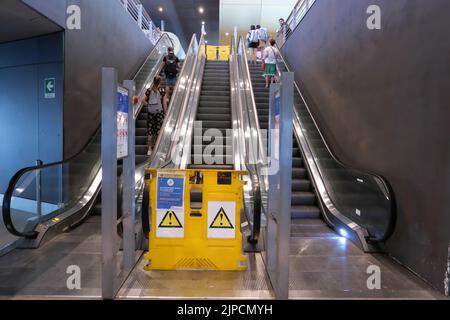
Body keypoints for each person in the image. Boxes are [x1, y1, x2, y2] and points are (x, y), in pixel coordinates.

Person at [142, 76, 164, 155]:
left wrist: (148, 105)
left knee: (150, 130)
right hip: (159, 113)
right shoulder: (161, 90)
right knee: (158, 130)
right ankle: (158, 149)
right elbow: (163, 101)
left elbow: (143, 100)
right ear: (160, 82)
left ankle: (150, 149)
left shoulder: (149, 90)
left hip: (150, 113)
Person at [162, 47, 180, 111]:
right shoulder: (176, 57)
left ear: (168, 50)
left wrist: (163, 69)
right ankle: (174, 97)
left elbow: (163, 65)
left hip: (167, 74)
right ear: (173, 50)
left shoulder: (165, 57)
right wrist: (177, 69)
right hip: (174, 74)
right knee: (174, 85)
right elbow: (179, 66)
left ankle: (167, 97)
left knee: (167, 85)